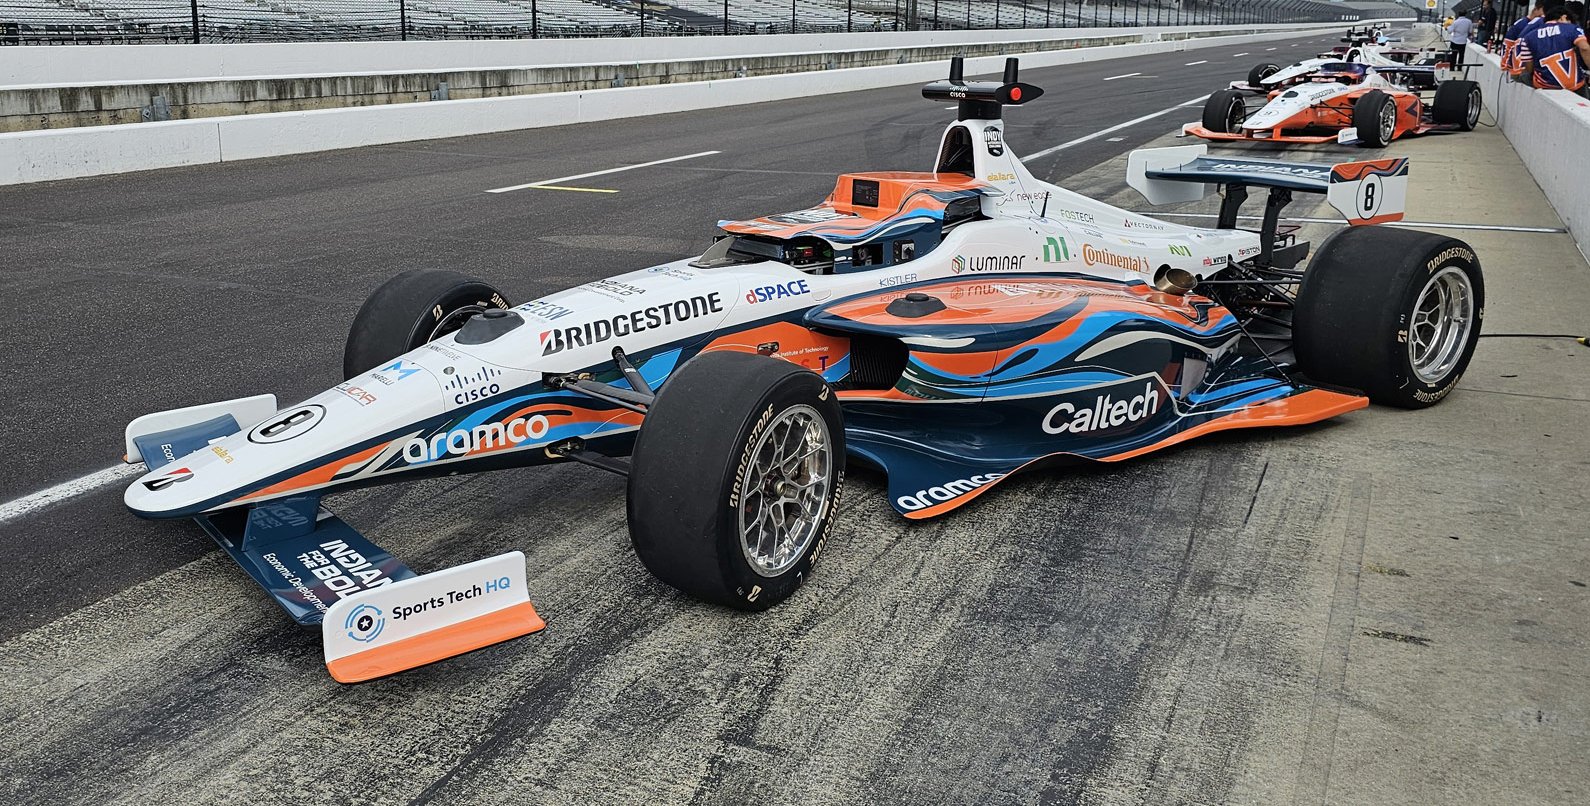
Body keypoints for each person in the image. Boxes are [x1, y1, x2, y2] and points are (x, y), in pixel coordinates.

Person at [1516, 5, 1590, 93]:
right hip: (1574, 86)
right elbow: (1584, 48)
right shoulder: (1573, 29)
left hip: (1544, 86)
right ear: (1563, 17)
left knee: (1524, 76)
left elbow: (1529, 67)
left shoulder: (1528, 37)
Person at [1504, 1, 1548, 74]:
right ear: (1536, 10)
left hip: (1517, 67)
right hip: (1520, 68)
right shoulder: (1526, 25)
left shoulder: (1524, 23)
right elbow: (1509, 44)